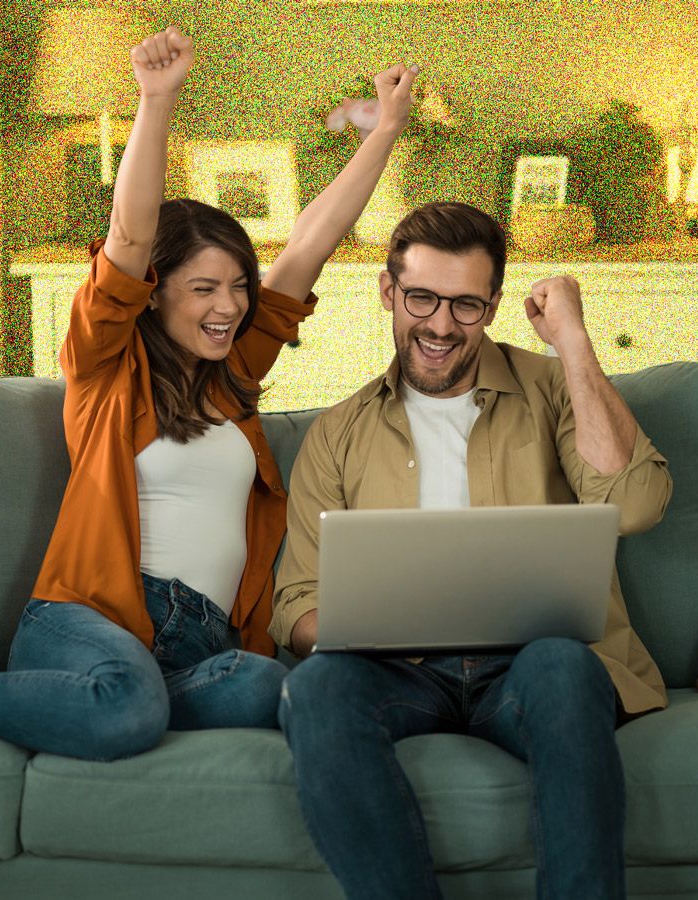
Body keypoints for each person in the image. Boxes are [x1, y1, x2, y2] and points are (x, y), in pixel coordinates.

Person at [0, 25, 423, 762]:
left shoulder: (234, 375)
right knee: (125, 709)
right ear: (152, 295)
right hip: (89, 618)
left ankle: (94, 703)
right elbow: (131, 239)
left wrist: (387, 130)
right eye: (204, 288)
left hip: (202, 639)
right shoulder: (104, 369)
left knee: (272, 689)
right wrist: (156, 101)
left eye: (238, 287)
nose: (229, 306)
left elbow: (308, 244)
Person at [270, 201, 673, 899]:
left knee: (562, 664)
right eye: (421, 297)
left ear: (493, 307)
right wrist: (367, 622)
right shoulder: (337, 434)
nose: (439, 325)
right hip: (399, 674)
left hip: (531, 668)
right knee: (316, 686)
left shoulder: (553, 389)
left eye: (467, 306)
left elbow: (632, 503)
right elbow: (295, 604)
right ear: (387, 292)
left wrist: (573, 344)